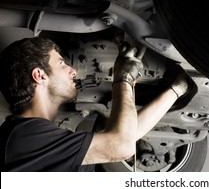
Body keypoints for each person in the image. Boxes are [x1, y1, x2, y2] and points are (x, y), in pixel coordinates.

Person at [0, 37, 190, 171]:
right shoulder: (24, 138)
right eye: (61, 64)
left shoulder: (31, 139)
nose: (72, 70)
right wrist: (122, 79)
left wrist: (177, 89)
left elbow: (128, 136)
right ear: (39, 76)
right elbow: (121, 145)